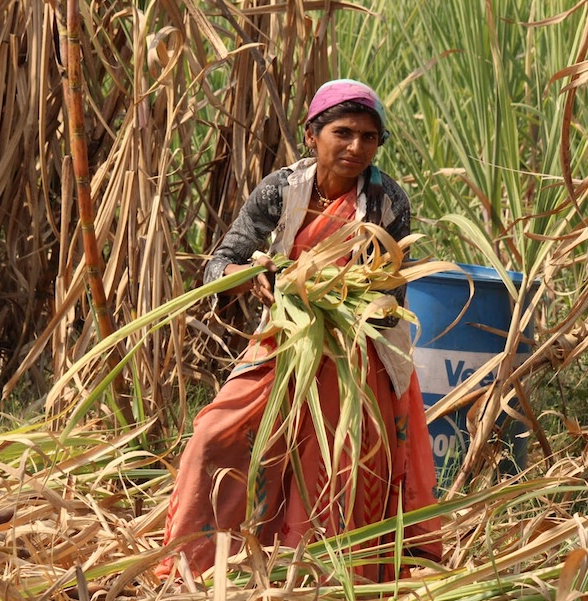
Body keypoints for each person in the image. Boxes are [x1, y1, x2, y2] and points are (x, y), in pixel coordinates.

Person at [155, 79, 441, 584]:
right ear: (312, 135)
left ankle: (316, 579)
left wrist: (350, 299)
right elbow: (220, 262)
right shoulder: (281, 190)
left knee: (329, 464)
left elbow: (394, 291)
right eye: (343, 132)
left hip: (358, 351)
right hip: (284, 340)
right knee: (213, 437)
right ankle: (199, 568)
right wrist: (254, 278)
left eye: (370, 137)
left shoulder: (386, 201)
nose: (356, 147)